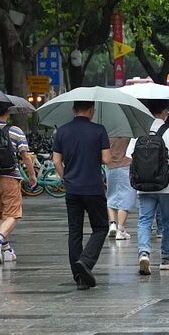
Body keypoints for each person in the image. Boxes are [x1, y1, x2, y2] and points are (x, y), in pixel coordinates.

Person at [52, 101, 110, 290]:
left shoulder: (62, 131)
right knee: (101, 227)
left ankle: (79, 277)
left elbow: (56, 161)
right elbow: (106, 159)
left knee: (75, 231)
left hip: (72, 189)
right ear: (92, 110)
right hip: (93, 187)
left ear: (73, 110)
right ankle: (85, 262)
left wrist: (65, 177)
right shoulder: (99, 130)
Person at [126, 101, 169, 275]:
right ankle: (166, 260)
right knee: (168, 222)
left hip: (143, 186)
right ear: (164, 112)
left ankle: (144, 253)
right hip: (166, 186)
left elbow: (131, 157)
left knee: (144, 220)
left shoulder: (139, 130)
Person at [0, 108, 36, 264]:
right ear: (7, 113)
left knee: (0, 215)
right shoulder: (15, 131)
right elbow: (25, 155)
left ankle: (6, 250)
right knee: (13, 214)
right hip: (10, 177)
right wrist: (32, 175)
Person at [106, 136, 135, 240]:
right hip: (126, 167)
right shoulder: (128, 135)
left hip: (110, 168)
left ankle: (112, 224)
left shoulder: (108, 135)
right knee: (126, 198)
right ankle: (120, 230)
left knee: (111, 195)